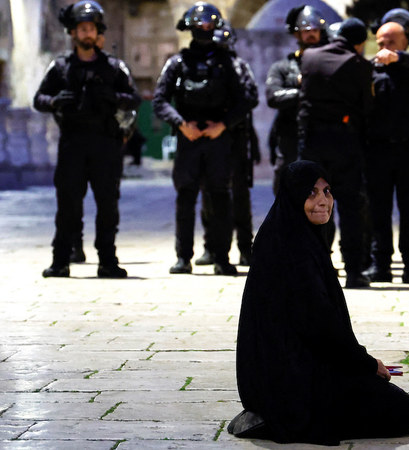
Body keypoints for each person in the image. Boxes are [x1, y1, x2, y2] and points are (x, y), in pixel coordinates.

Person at [229, 160, 409, 446]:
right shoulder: (294, 248)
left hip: (280, 372)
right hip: (296, 381)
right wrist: (365, 364)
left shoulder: (286, 233)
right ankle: (276, 417)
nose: (323, 201)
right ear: (293, 196)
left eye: (327, 191)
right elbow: (319, 325)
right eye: (311, 193)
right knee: (403, 411)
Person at [34, 0, 140, 278]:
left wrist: (115, 97)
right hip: (73, 144)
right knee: (67, 206)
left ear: (98, 31)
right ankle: (60, 261)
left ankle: (107, 260)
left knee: (108, 206)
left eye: (91, 28)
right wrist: (56, 101)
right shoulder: (59, 68)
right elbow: (39, 99)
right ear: (73, 33)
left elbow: (135, 99)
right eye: (82, 28)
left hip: (106, 144)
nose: (87, 33)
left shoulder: (114, 68)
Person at [153, 2, 252, 276]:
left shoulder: (227, 64)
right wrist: (181, 124)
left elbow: (244, 101)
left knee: (221, 198)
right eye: (201, 25)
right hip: (189, 139)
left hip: (218, 139)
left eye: (210, 25)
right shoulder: (177, 63)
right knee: (185, 198)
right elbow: (160, 101)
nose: (205, 29)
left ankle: (222, 257)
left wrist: (223, 125)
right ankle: (183, 257)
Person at [297, 17, 373, 288]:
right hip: (345, 142)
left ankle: (313, 267)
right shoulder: (359, 65)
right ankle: (354, 270)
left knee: (312, 206)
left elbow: (303, 100)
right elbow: (367, 108)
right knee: (351, 207)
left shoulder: (310, 57)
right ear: (360, 42)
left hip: (313, 143)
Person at [363, 9, 409, 284]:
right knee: (377, 209)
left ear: (405, 42)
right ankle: (380, 264)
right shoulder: (371, 69)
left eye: (391, 42)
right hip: (377, 149)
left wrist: (399, 58)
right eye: (381, 43)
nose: (384, 48)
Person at [195, 22, 260, 267]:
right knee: (209, 194)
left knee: (240, 196)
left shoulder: (239, 67)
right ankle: (211, 246)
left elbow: (250, 97)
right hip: (210, 139)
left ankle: (245, 247)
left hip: (234, 138)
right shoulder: (203, 65)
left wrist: (226, 121)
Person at [266, 5, 328, 194]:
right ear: (296, 34)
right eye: (306, 31)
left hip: (322, 138)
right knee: (285, 197)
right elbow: (273, 96)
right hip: (289, 138)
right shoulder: (283, 67)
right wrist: (303, 90)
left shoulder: (330, 64)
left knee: (323, 200)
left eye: (315, 30)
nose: (311, 35)